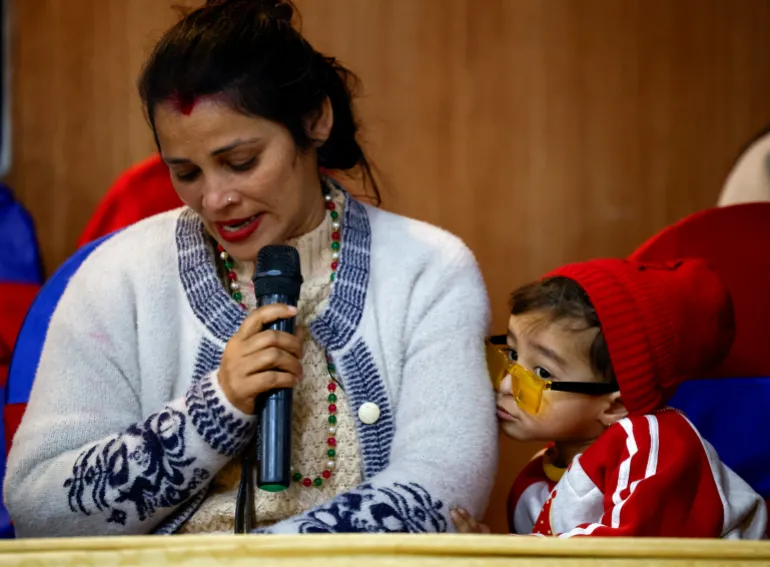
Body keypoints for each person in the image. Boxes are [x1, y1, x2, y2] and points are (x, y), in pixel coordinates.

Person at [4, 0, 497, 537]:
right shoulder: (118, 275)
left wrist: (256, 556)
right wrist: (216, 409)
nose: (215, 199)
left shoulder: (429, 270)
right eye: (186, 172)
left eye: (241, 163)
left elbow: (442, 488)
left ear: (315, 120)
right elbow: (38, 507)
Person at [452, 258, 767, 538]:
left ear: (616, 405)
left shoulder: (654, 442)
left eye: (543, 374)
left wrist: (507, 556)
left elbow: (626, 554)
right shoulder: (537, 479)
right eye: (511, 354)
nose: (507, 384)